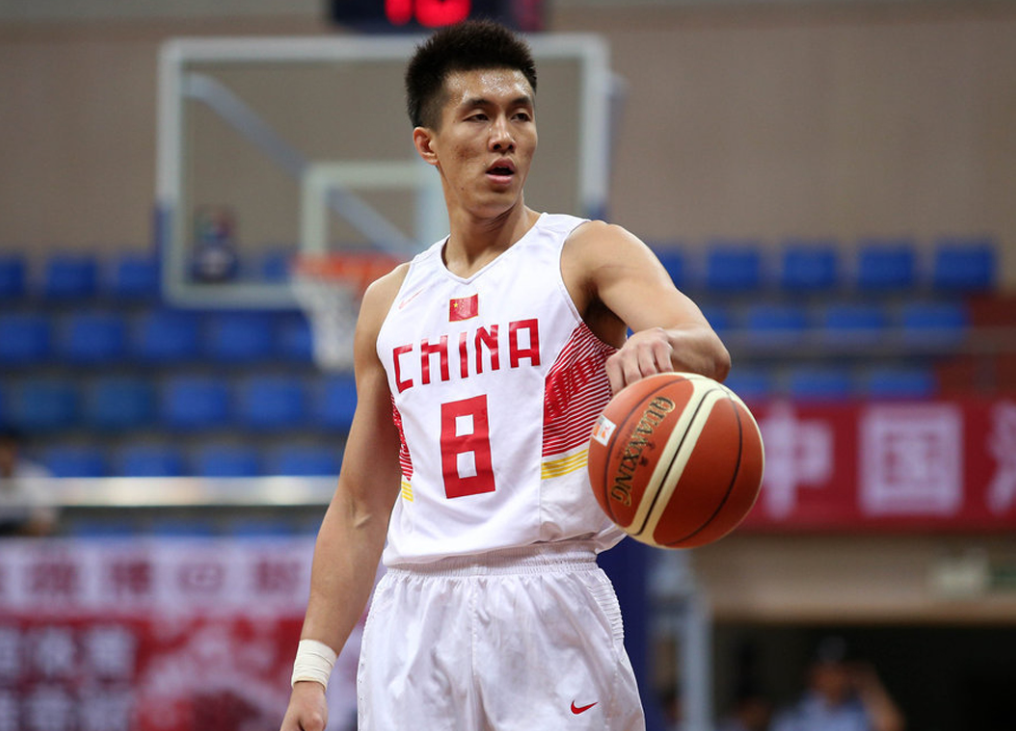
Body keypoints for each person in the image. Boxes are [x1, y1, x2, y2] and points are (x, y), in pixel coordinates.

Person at [279, 20, 729, 731]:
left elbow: (706, 349)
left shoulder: (585, 252)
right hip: (414, 612)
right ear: (428, 144)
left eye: (520, 114)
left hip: (546, 593)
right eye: (478, 115)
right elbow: (362, 505)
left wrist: (661, 345)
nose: (504, 135)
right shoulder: (389, 303)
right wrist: (312, 670)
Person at [769, 637, 904, 731]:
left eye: (841, 671)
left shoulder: (859, 709)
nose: (835, 678)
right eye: (828, 671)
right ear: (814, 673)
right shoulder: (795, 713)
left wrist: (867, 682)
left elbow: (892, 727)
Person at [0, 427, 57, 537]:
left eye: (5, 448)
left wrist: (16, 532)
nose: (2, 454)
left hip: (28, 540)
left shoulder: (36, 476)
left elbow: (45, 520)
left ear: (15, 449)